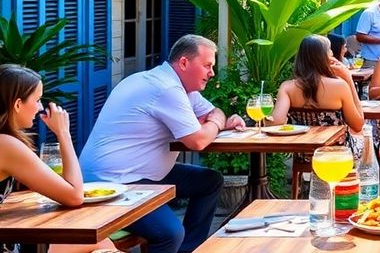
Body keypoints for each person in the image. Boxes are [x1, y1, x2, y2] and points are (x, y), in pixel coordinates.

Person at [80, 35, 246, 253]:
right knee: (169, 233)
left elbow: (213, 112)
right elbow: (198, 140)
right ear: (184, 63)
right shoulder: (166, 88)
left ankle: (188, 250)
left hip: (142, 174)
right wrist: (216, 122)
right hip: (112, 181)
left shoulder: (181, 87)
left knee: (209, 181)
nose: (212, 73)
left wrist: (215, 120)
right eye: (207, 65)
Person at [0, 64, 119, 253]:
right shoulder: (6, 145)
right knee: (100, 243)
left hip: (13, 235)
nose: (40, 107)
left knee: (101, 242)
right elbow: (74, 195)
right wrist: (63, 133)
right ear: (17, 104)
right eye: (37, 99)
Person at [269, 35, 364, 151]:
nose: (332, 53)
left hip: (303, 153)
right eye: (329, 50)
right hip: (338, 154)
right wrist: (348, 79)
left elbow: (275, 123)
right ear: (324, 57)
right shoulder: (340, 86)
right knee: (365, 136)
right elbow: (358, 125)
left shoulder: (287, 87)